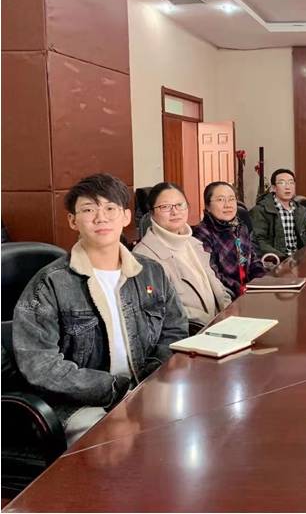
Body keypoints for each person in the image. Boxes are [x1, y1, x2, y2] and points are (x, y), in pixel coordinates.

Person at [12, 173, 188, 446]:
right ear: (72, 220)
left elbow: (174, 330)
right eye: (88, 210)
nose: (101, 218)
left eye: (110, 208)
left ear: (126, 217)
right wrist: (115, 388)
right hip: (79, 403)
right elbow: (40, 365)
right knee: (118, 447)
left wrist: (151, 380)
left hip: (145, 388)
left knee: (190, 429)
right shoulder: (50, 283)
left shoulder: (151, 272)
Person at [134, 182, 232, 325]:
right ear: (152, 213)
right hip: (190, 332)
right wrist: (212, 323)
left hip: (220, 326)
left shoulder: (194, 244)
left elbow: (218, 289)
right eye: (165, 207)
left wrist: (230, 313)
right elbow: (162, 309)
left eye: (180, 205)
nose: (175, 212)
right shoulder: (144, 256)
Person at [193, 181, 266, 298]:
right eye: (220, 200)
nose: (228, 205)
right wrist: (241, 289)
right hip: (227, 295)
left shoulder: (241, 227)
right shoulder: (202, 232)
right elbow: (212, 274)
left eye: (231, 199)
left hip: (250, 291)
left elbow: (254, 260)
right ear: (207, 206)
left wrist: (260, 282)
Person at [250, 168, 306, 259]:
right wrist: (283, 258)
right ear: (273, 188)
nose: (287, 187)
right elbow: (259, 241)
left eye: (291, 183)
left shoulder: (300, 209)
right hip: (276, 260)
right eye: (282, 183)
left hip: (299, 259)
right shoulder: (261, 210)